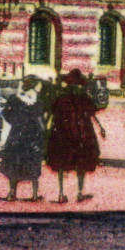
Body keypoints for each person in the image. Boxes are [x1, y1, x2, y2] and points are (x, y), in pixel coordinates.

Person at [45, 69, 106, 203]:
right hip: (81, 133)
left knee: (61, 163)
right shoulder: (82, 97)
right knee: (80, 163)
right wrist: (101, 127)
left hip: (63, 133)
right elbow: (92, 113)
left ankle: (61, 194)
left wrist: (46, 127)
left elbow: (51, 113)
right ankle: (78, 193)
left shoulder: (61, 98)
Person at [0, 75, 52, 201]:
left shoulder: (25, 99)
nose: (23, 84)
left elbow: (6, 113)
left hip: (23, 134)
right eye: (24, 82)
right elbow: (7, 113)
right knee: (22, 162)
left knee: (23, 162)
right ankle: (21, 193)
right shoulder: (33, 100)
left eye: (26, 83)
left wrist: (15, 122)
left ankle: (18, 193)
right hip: (28, 134)